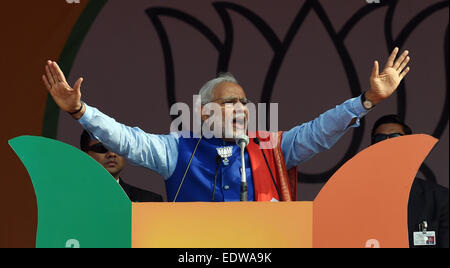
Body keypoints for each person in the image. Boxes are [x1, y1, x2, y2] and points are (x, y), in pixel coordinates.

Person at [42, 47, 411, 202]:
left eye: (244, 102)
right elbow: (127, 139)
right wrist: (81, 112)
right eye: (230, 102)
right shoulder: (176, 149)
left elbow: (319, 130)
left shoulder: (273, 147)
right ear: (204, 112)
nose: (242, 108)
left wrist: (366, 101)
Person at [371, 114, 449, 248]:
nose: (388, 144)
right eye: (380, 139)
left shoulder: (440, 199)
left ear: (410, 146)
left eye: (396, 138)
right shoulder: (356, 198)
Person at [80, 130, 163, 202]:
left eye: (117, 148)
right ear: (85, 155)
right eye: (101, 148)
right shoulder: (70, 199)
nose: (112, 154)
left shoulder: (150, 201)